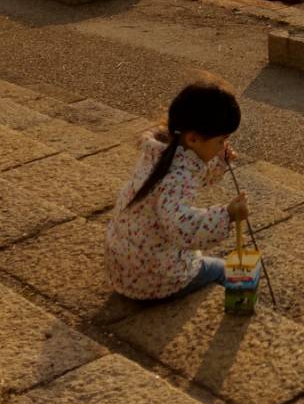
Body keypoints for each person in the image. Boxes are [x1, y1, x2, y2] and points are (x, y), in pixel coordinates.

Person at [104, 76, 250, 301]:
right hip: (154, 280)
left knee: (203, 254)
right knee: (223, 269)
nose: (224, 146)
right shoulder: (178, 176)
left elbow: (193, 175)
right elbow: (181, 228)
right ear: (193, 139)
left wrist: (220, 162)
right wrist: (227, 215)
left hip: (124, 268)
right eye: (220, 141)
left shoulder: (160, 152)